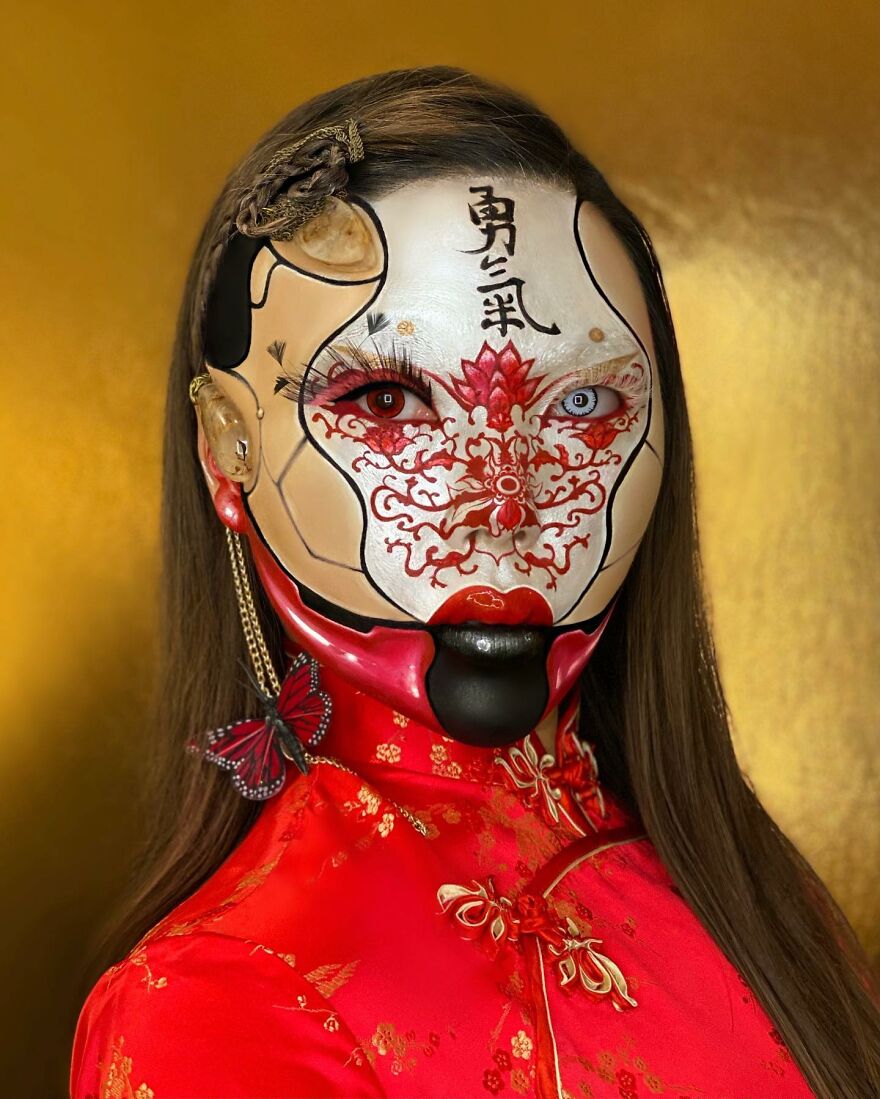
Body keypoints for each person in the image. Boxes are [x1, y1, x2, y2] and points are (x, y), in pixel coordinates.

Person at [69, 66, 880, 1099]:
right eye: (386, 401)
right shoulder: (218, 1000)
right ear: (227, 447)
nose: (502, 500)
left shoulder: (749, 887)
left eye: (582, 402)